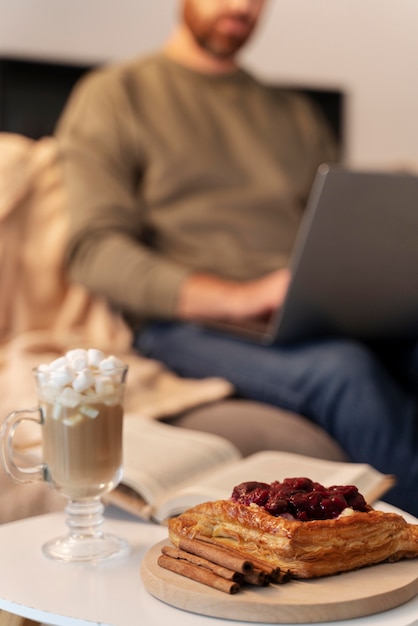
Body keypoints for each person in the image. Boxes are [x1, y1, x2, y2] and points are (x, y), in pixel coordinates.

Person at [55, 0, 418, 515]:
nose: (241, 5)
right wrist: (240, 297)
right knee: (345, 371)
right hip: (189, 324)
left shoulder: (291, 111)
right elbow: (94, 250)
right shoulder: (116, 94)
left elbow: (338, 224)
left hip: (303, 308)